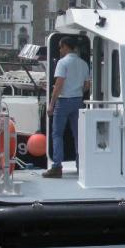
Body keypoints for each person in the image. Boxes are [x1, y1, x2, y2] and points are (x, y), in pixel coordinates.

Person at [43, 37, 90, 178]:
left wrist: (51, 104)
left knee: (57, 134)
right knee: (78, 135)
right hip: (78, 101)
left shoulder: (62, 63)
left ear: (65, 46)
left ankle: (57, 167)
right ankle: (80, 165)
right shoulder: (83, 64)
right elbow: (87, 85)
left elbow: (59, 84)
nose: (59, 50)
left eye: (60, 47)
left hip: (63, 102)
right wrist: (78, 92)